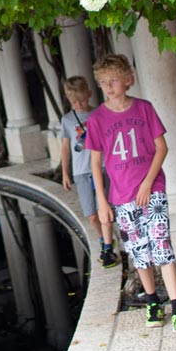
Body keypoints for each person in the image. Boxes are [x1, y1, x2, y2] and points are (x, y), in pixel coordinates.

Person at [86, 54, 176, 334]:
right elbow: (95, 163)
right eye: (103, 83)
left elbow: (162, 148)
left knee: (162, 245)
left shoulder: (144, 109)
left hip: (152, 189)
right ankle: (152, 301)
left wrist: (148, 182)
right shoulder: (97, 119)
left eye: (113, 81)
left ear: (127, 80)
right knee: (139, 251)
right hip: (121, 196)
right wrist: (102, 200)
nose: (108, 87)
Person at [60, 76, 118, 268]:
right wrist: (65, 172)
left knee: (107, 207)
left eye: (82, 100)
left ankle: (108, 247)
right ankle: (103, 238)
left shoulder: (100, 113)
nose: (78, 104)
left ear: (90, 95)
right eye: (73, 101)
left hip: (103, 168)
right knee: (91, 214)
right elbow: (66, 147)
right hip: (81, 171)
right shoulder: (67, 120)